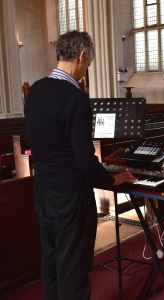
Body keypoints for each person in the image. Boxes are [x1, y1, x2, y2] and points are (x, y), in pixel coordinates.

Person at [24, 30, 138, 300]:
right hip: (71, 198)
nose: (86, 69)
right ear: (82, 54)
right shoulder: (74, 98)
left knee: (51, 264)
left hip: (43, 192)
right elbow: (85, 161)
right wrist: (111, 180)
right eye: (88, 62)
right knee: (73, 270)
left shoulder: (35, 92)